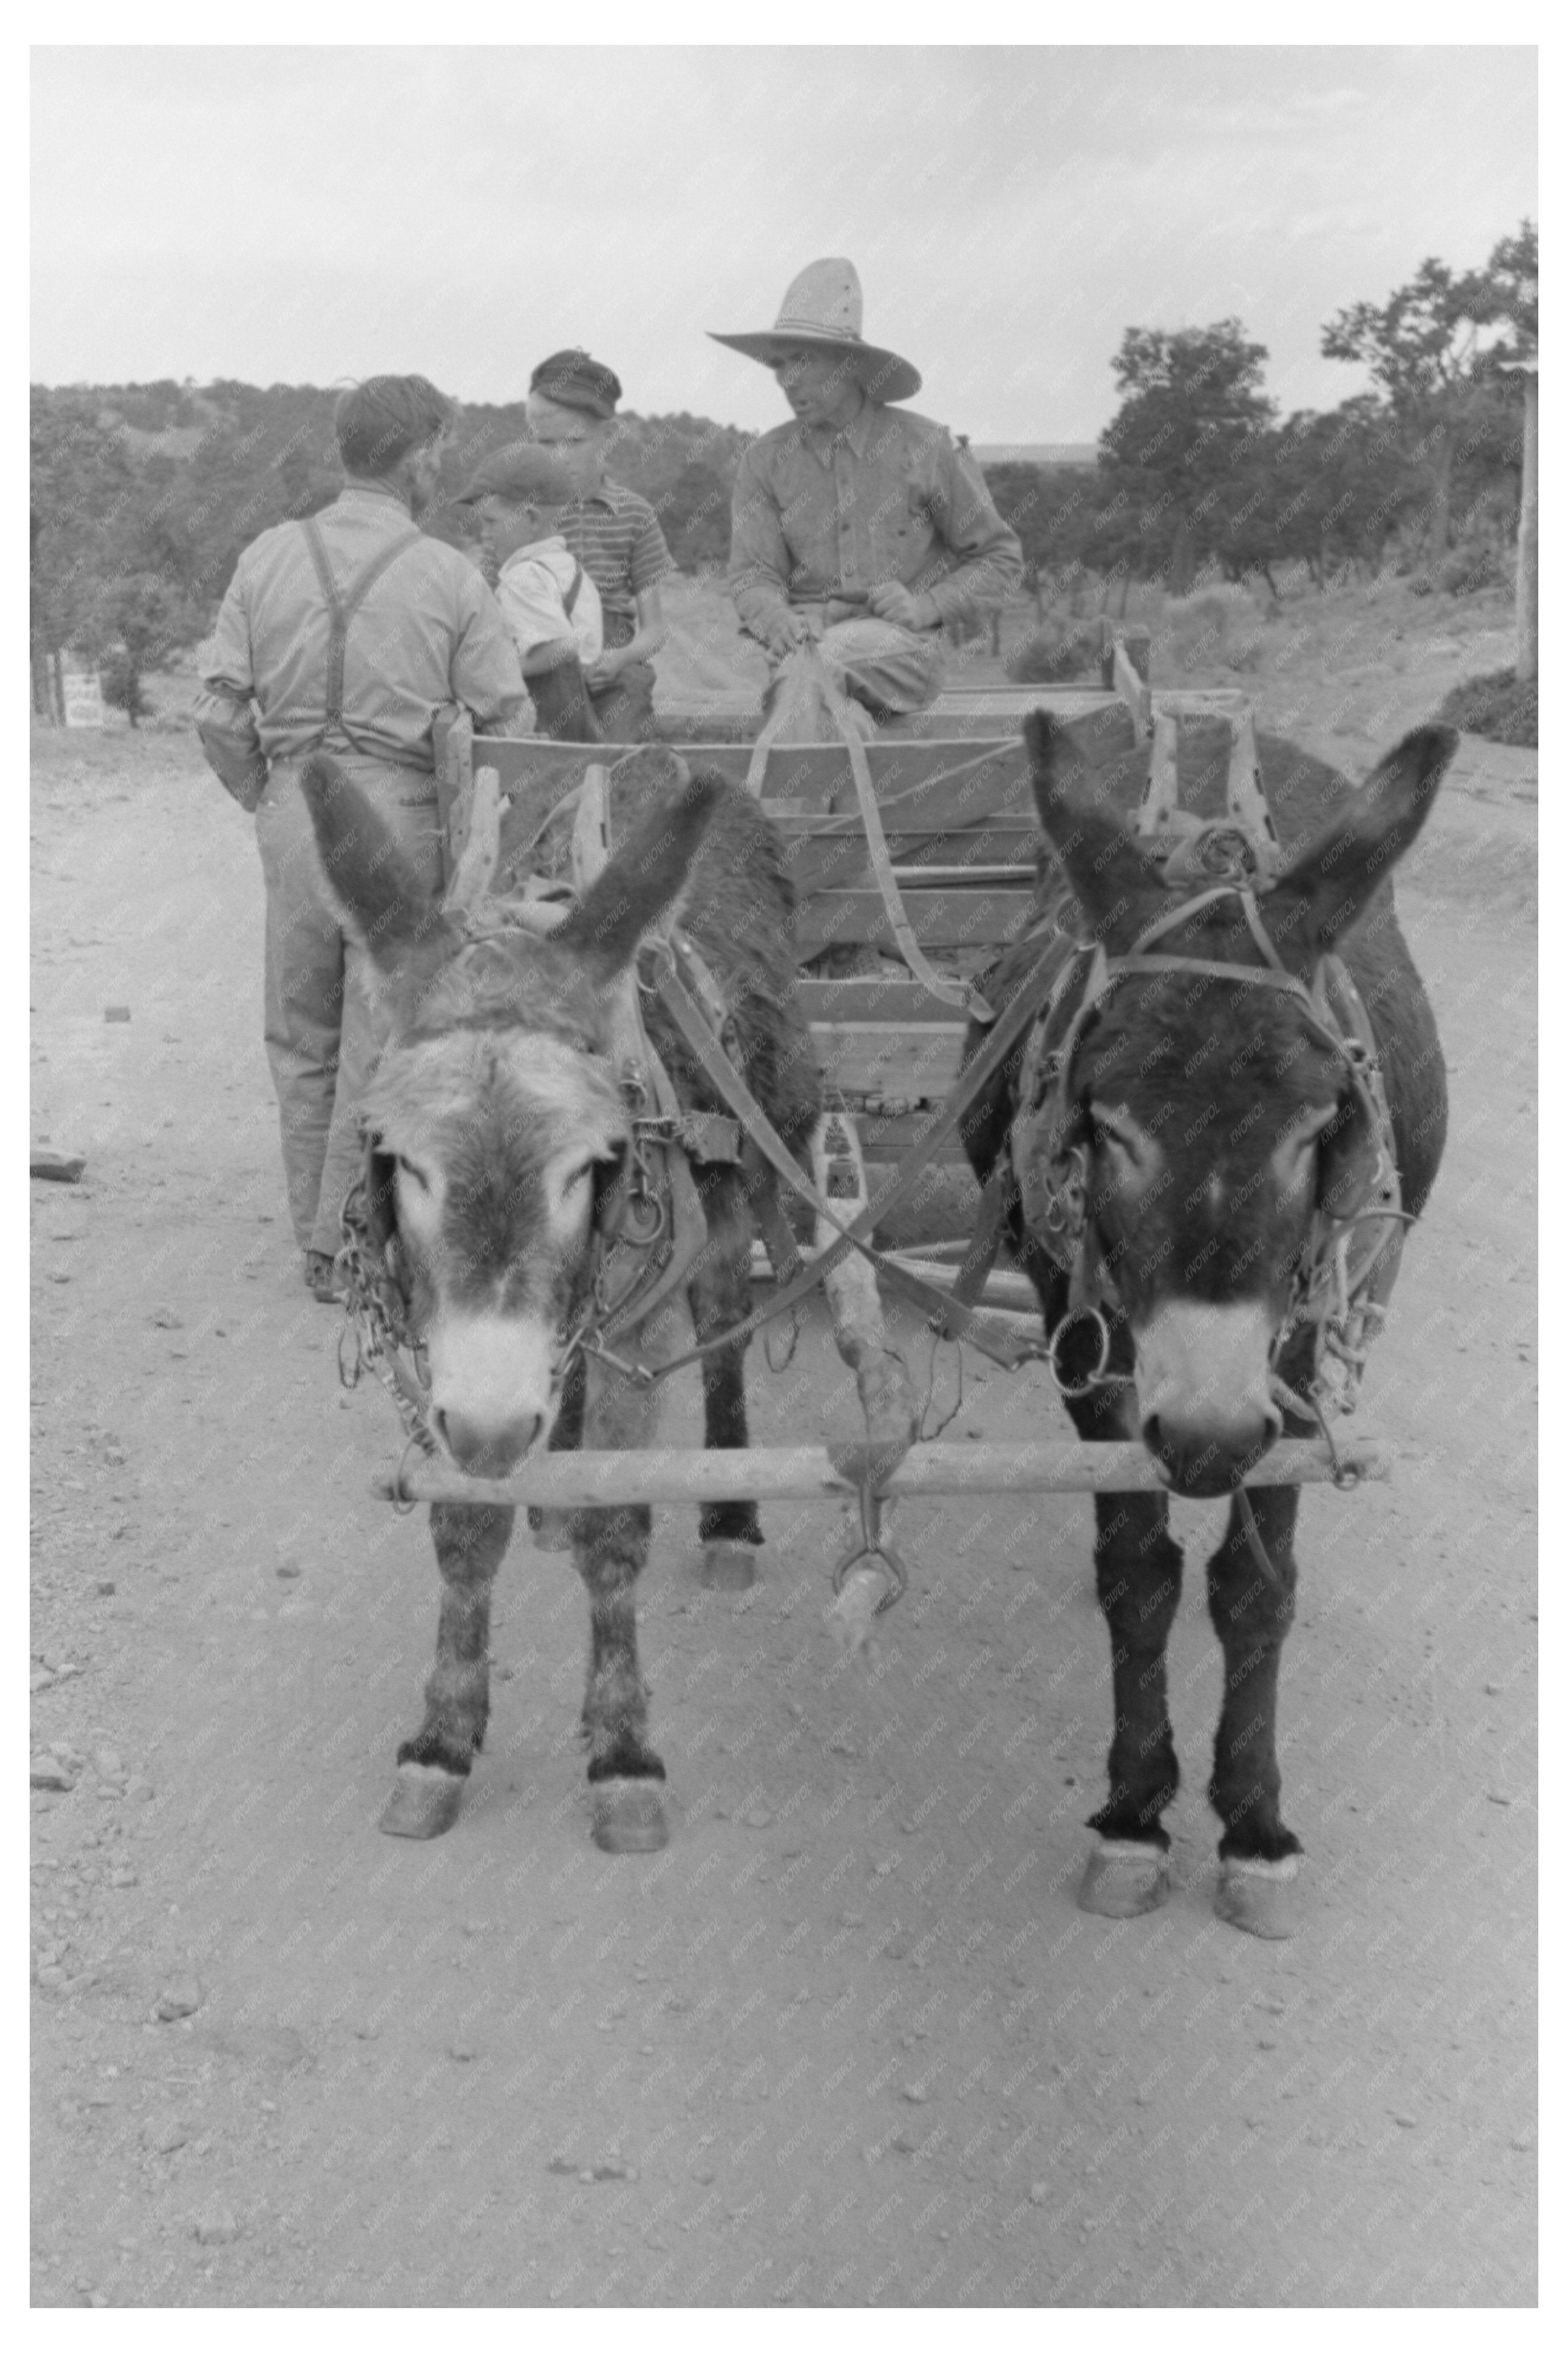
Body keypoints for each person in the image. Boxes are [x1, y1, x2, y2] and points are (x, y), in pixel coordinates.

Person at [193, 374, 524, 1300]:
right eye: (442, 452)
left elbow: (218, 716)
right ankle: (355, 1246)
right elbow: (511, 721)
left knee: (298, 1037)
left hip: (296, 811)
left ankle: (318, 1244)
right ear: (420, 455)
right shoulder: (450, 574)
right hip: (400, 819)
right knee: (381, 1040)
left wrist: (270, 800)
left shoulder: (265, 556)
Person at [710, 258, 1024, 718]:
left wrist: (926, 605)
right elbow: (754, 574)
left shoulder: (926, 447)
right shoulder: (764, 461)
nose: (787, 379)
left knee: (814, 667)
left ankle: (787, 784)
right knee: (818, 686)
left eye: (803, 359)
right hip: (804, 646)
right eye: (779, 363)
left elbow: (999, 558)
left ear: (850, 364)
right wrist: (777, 621)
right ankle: (839, 771)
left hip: (903, 652)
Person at [524, 350, 675, 740]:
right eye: (545, 443)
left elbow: (654, 628)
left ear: (609, 436)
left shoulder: (634, 514)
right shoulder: (523, 515)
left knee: (626, 738)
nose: (558, 457)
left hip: (614, 667)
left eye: (574, 441)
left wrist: (622, 657)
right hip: (544, 660)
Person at [454, 443, 606, 742]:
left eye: (491, 522)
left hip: (543, 728)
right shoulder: (570, 570)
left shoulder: (523, 578)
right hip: (581, 719)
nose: (484, 533)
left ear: (533, 520)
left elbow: (562, 648)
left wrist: (501, 674)